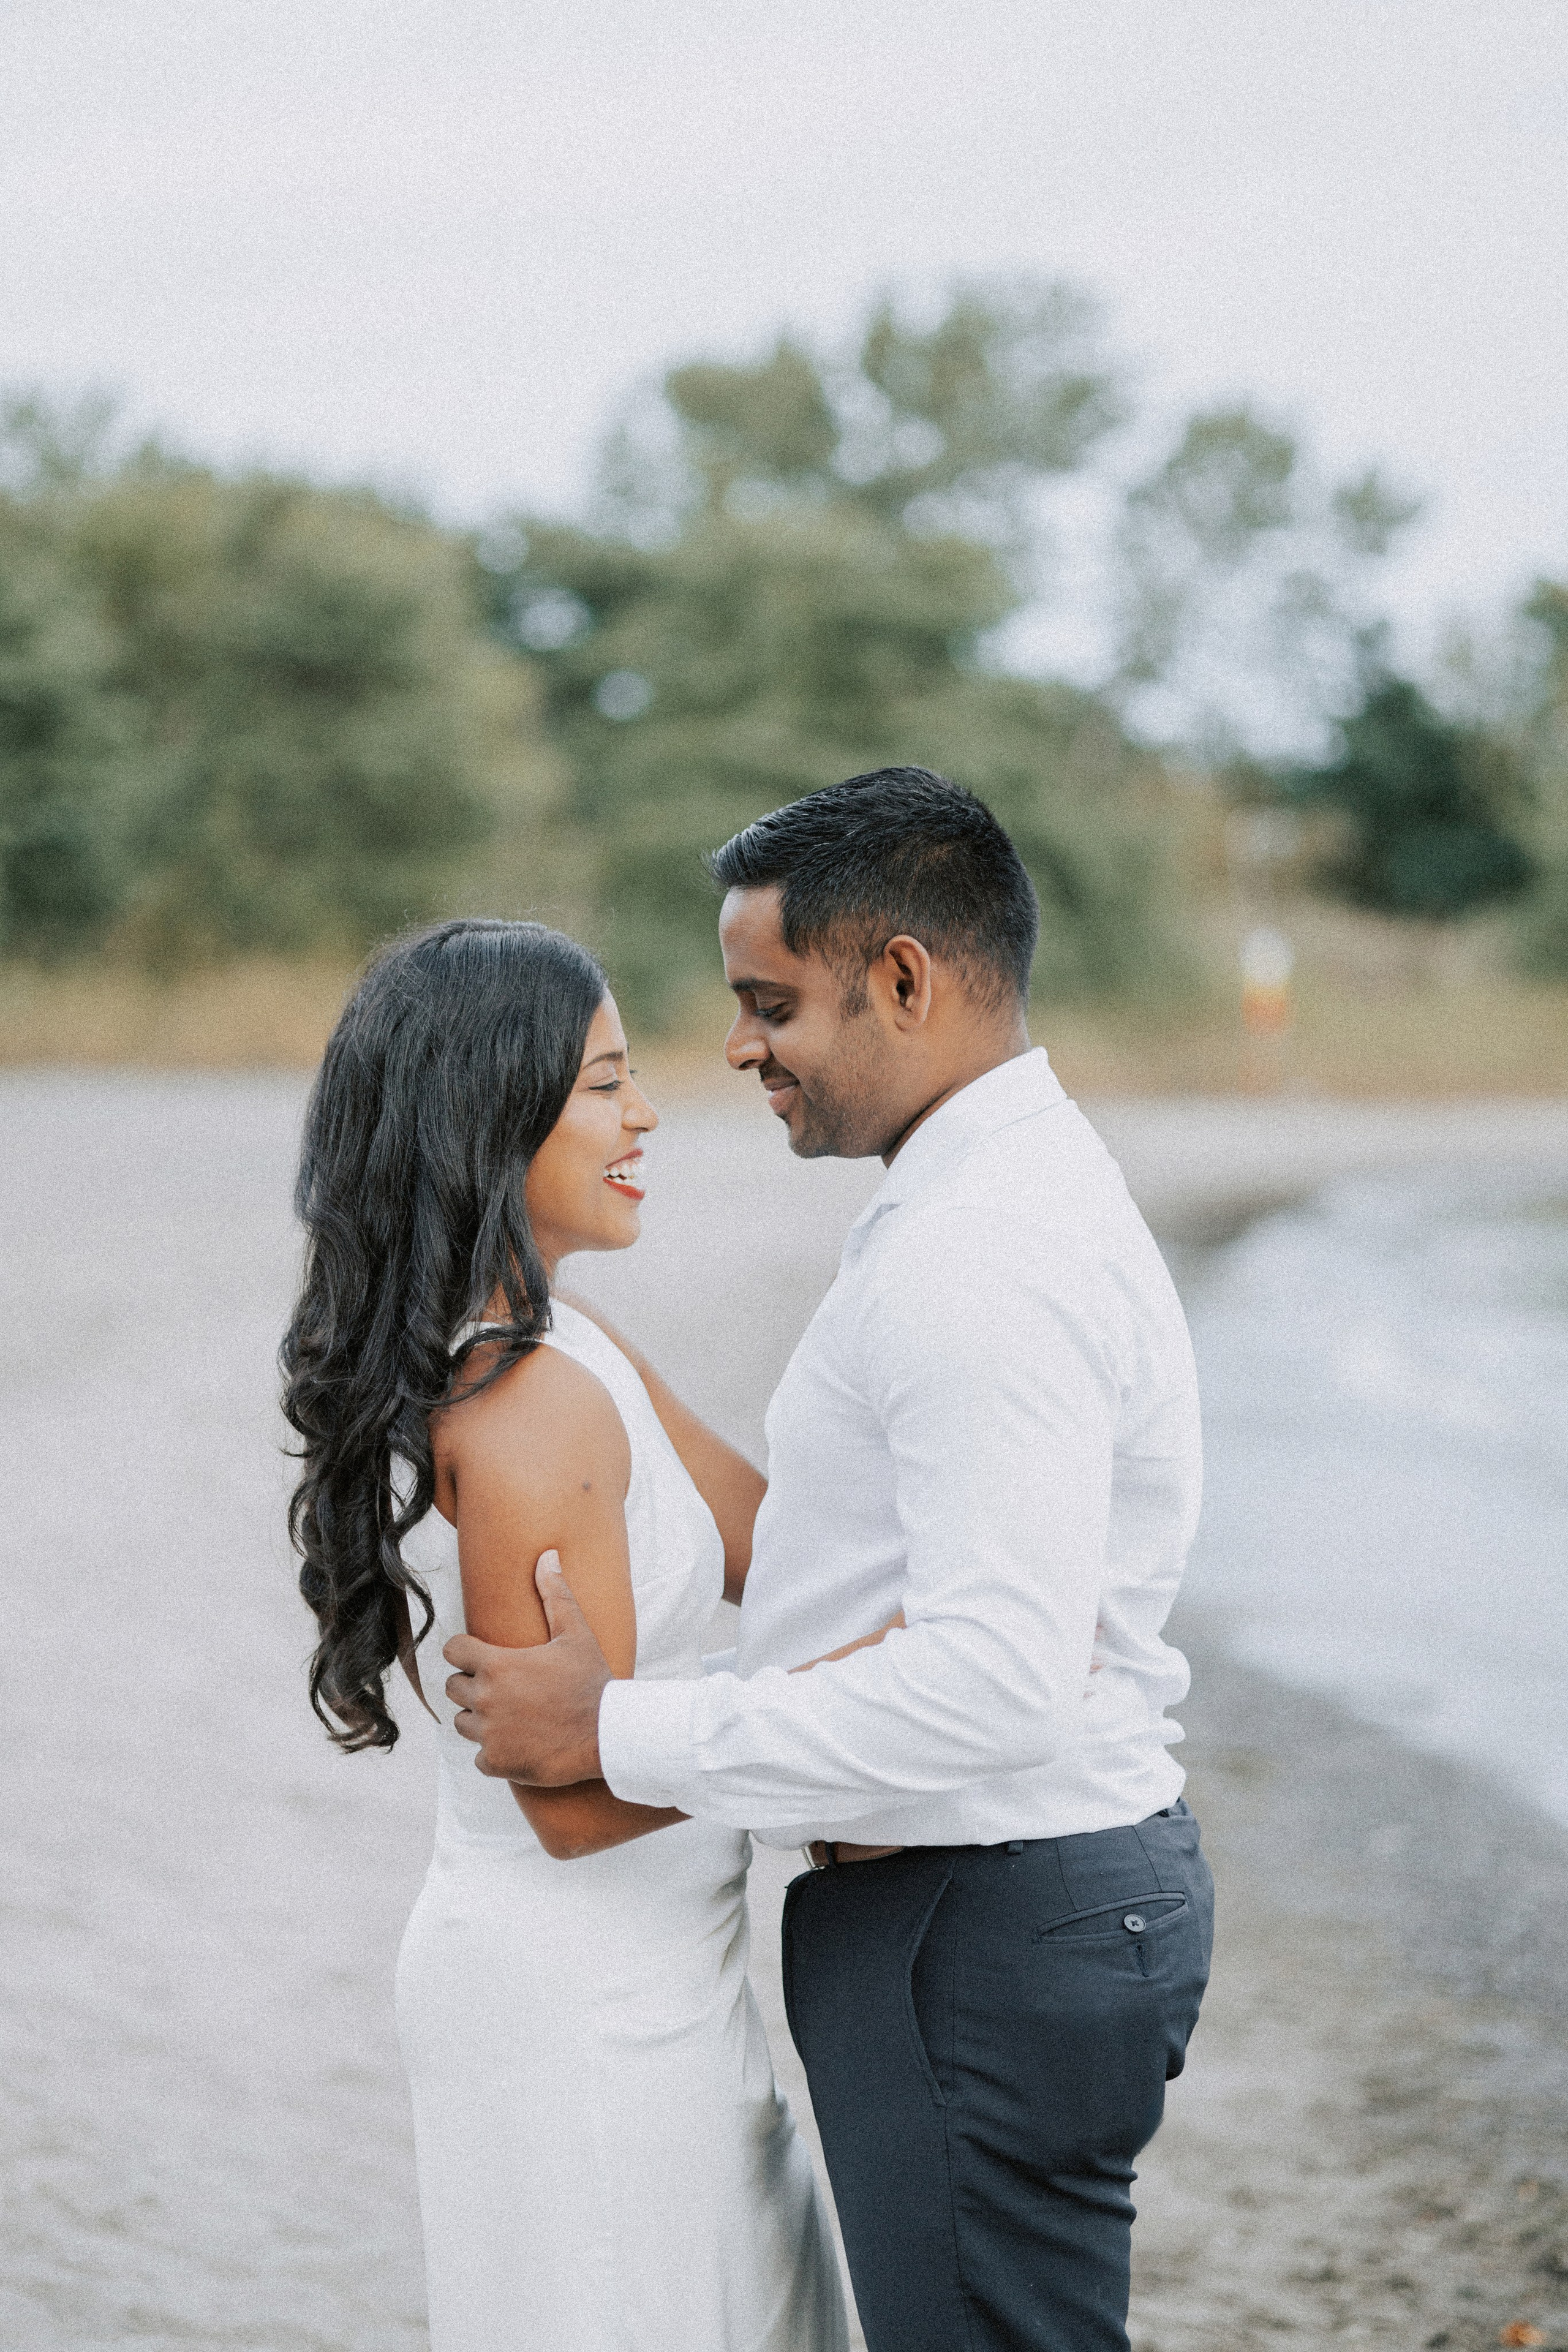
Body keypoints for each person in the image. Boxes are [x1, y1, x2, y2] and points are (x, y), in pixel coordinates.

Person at [445, 769, 1216, 2352]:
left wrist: (618, 1727)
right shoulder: (984, 1198)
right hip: (1016, 1905)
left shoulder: (977, 1255)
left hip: (987, 1920)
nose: (734, 1053)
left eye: (765, 1003)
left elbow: (995, 1683)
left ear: (905, 982)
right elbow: (817, 1544)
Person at [281, 918, 848, 2352]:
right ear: (491, 1113)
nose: (645, 1111)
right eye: (604, 1083)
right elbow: (579, 1805)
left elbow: (772, 1546)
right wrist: (847, 1731)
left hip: (674, 1972)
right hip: (577, 2008)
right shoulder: (525, 1411)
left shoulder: (570, 1339)